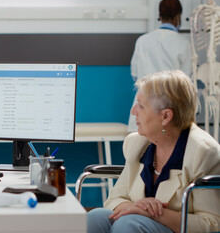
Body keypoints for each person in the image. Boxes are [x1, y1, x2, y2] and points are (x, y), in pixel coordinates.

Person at [87, 70, 220, 233]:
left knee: (127, 224)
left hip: (173, 228)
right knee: (94, 217)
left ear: (165, 116)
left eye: (141, 105)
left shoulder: (203, 152)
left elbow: (212, 223)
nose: (133, 111)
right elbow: (114, 199)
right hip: (136, 224)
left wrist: (156, 213)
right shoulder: (136, 144)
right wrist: (136, 207)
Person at [128, 0, 192, 132]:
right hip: (168, 110)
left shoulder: (142, 41)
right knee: (167, 149)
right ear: (178, 16)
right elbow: (185, 82)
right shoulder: (184, 44)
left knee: (139, 151)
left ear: (160, 16)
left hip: (143, 106)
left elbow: (135, 75)